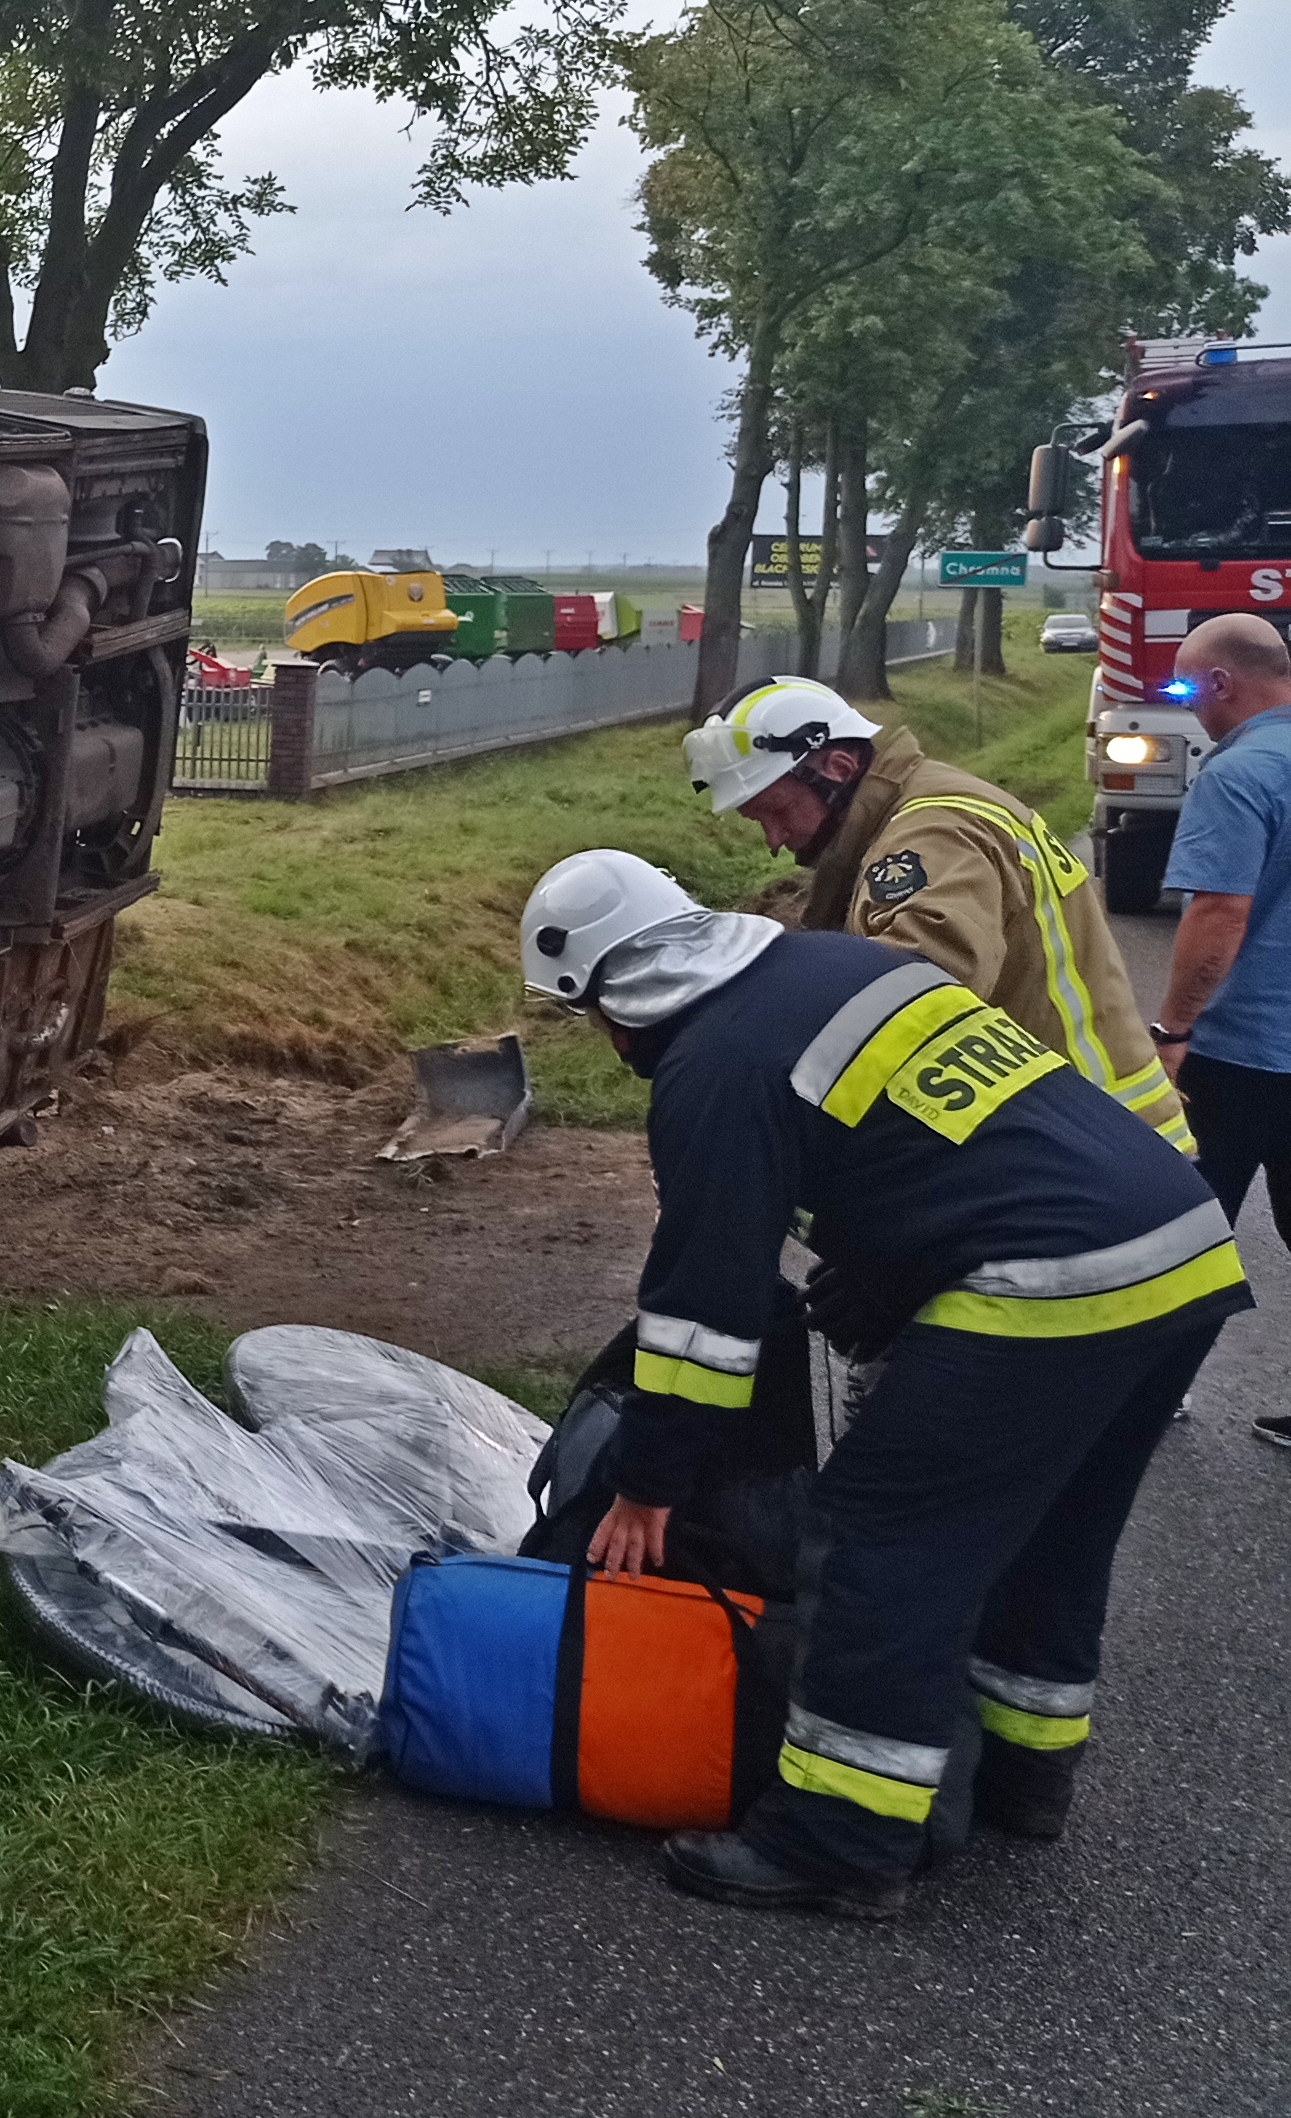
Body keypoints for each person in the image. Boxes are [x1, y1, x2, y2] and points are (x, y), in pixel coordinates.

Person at [521, 846, 1246, 1915]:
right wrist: (880, 1270)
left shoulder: (709, 1068)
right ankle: (1020, 1777)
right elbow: (937, 1141)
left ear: (610, 1002)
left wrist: (649, 1485)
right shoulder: (834, 966)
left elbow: (703, 1316)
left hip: (1046, 1279)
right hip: (1177, 1243)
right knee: (1054, 1531)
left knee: (876, 1537)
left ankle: (838, 1838)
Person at [682, 673, 1186, 1148]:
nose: (773, 840)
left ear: (837, 768)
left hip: (1086, 1142)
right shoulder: (931, 800)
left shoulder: (930, 834)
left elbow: (919, 990)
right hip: (1095, 1128)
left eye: (776, 811)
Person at [1145, 611, 1291, 1454]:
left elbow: (1219, 911)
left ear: (1221, 684)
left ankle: (1153, 1390)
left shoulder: (1240, 774)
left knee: (1190, 1223)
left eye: (1185, 687)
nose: (1188, 706)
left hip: (1245, 1051)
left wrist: (1173, 1029)